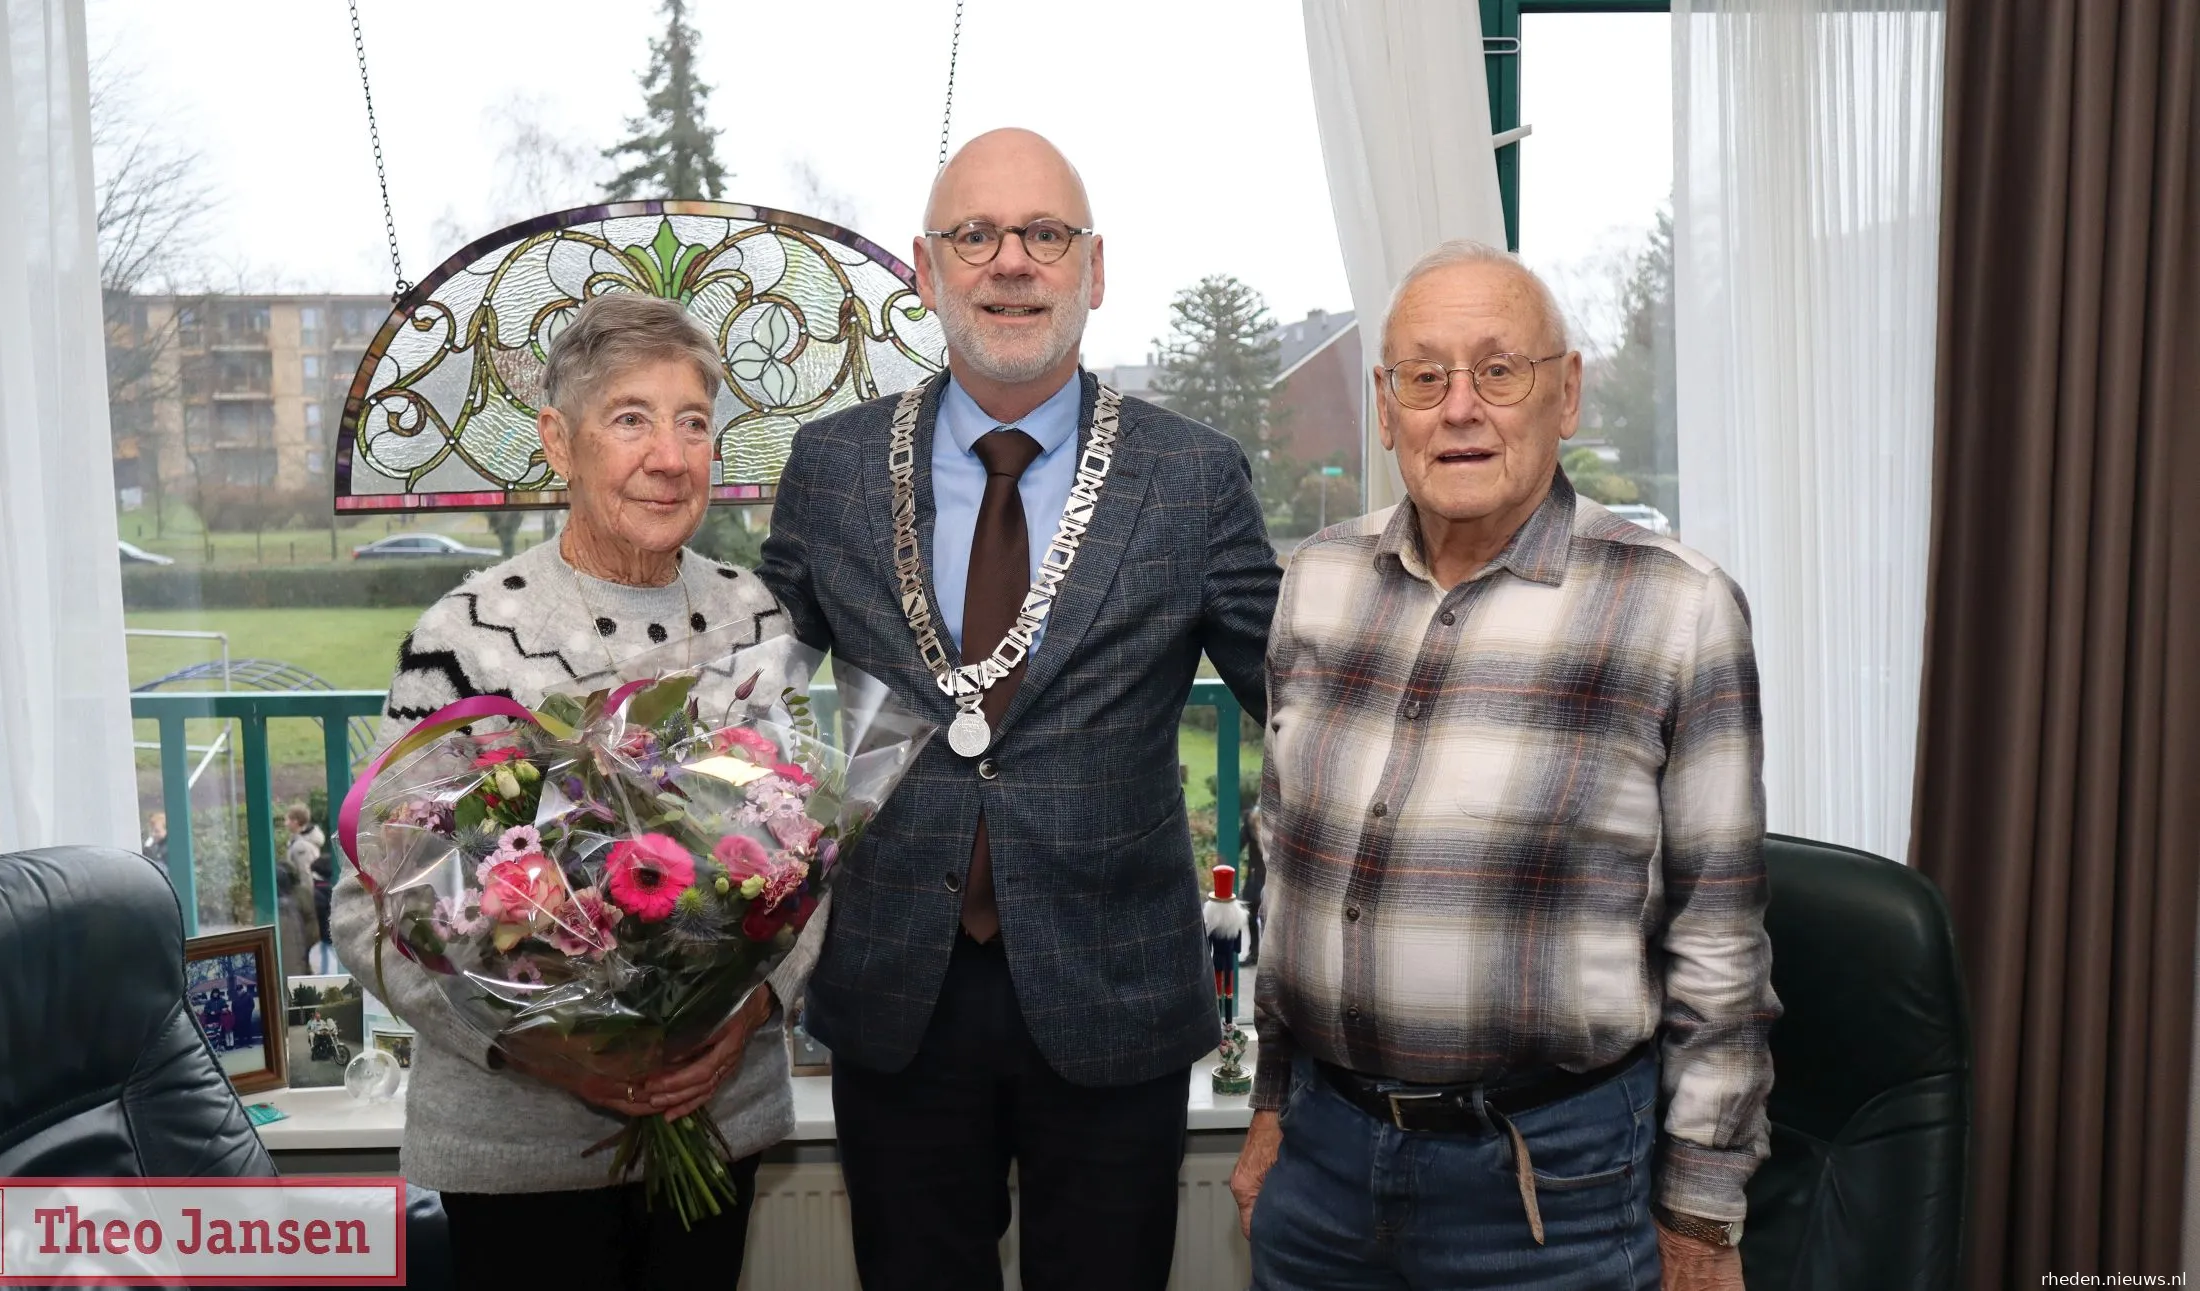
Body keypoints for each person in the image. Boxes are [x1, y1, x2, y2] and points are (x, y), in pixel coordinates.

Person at [756, 127, 1282, 1291]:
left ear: (1093, 269)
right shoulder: (830, 467)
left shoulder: (1190, 476)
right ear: (922, 266)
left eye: (1044, 235)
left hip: (1116, 995)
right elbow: (743, 708)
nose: (1010, 262)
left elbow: (1301, 709)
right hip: (896, 995)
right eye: (975, 235)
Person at [1229, 241, 1777, 1291]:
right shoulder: (1318, 583)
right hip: (1322, 1170)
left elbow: (1718, 940)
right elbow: (1281, 869)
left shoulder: (1675, 607)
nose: (1459, 407)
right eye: (1423, 376)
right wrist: (1269, 1107)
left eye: (1497, 369)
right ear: (1385, 410)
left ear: (1563, 392)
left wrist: (1700, 1218)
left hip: (1548, 1190)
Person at [331, 293, 804, 1291]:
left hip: (711, 1123)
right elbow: (371, 904)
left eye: (693, 422)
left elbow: (806, 857)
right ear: (558, 441)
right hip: (518, 1152)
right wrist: (537, 1050)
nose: (669, 456)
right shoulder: (464, 635)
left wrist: (753, 1004)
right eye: (629, 418)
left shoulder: (753, 617)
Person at [277, 804, 324, 976]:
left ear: (296, 822)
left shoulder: (300, 847)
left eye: (288, 819)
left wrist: (306, 902)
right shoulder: (301, 843)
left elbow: (306, 876)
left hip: (305, 901)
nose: (285, 823)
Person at [1237, 803, 1265, 966]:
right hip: (1257, 877)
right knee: (1251, 914)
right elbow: (1238, 844)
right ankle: (1254, 953)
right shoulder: (1252, 820)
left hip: (1269, 877)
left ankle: (1263, 955)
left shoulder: (1280, 819)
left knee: (1266, 917)